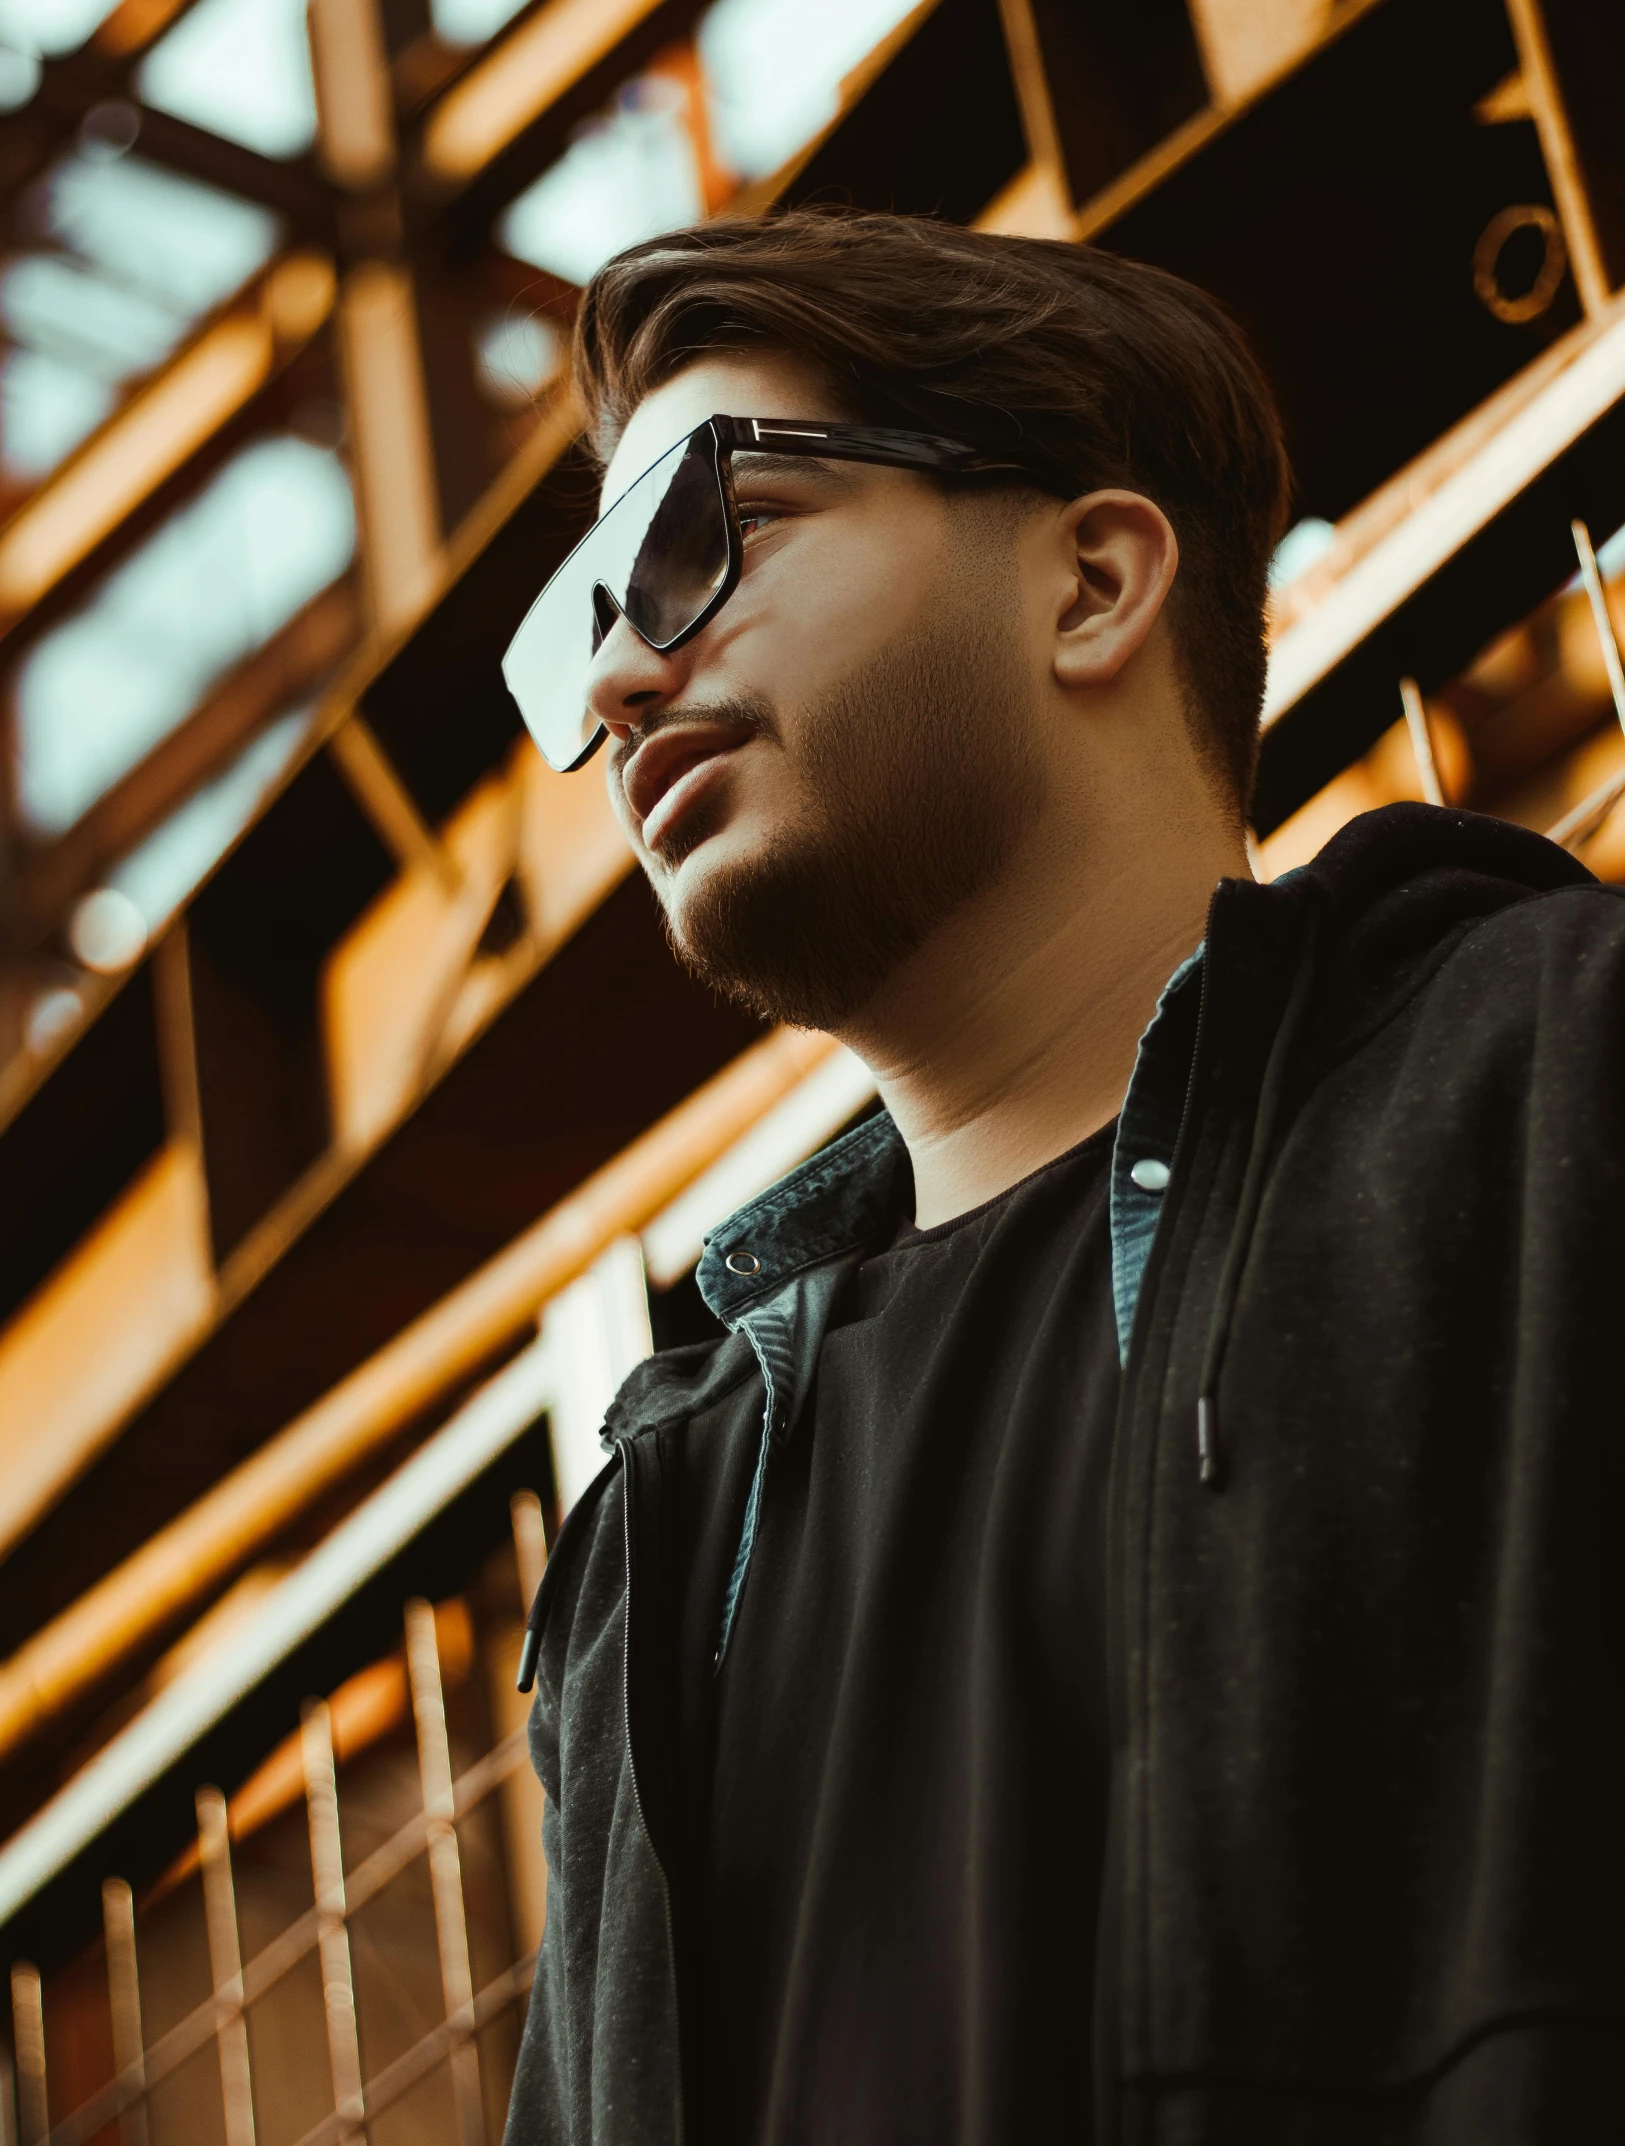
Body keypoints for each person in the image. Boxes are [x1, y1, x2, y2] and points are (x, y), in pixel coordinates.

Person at [497, 210, 1625, 2145]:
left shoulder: (1552, 1091)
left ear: (1092, 581)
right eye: (589, 614)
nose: (615, 684)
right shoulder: (657, 1525)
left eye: (705, 537)